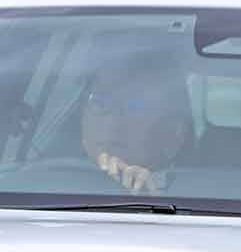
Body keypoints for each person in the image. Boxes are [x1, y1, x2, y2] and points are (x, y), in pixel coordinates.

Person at [80, 54, 192, 195]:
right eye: (100, 102)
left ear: (174, 133)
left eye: (135, 107)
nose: (112, 122)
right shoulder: (53, 183)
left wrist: (143, 200)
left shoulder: (192, 198)